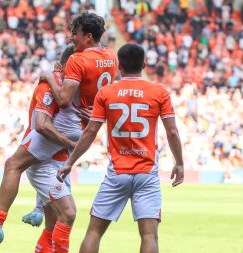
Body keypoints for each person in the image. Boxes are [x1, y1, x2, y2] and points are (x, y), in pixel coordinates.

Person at [57, 43, 185, 253]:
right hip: (146, 172)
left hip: (117, 171)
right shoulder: (159, 92)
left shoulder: (106, 92)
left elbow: (90, 132)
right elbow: (172, 132)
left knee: (94, 232)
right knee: (149, 235)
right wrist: (179, 163)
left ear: (119, 67)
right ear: (144, 64)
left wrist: (70, 163)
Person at [0, 47, 77, 252]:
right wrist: (72, 144)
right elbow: (41, 127)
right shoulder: (50, 84)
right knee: (66, 214)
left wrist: (39, 206)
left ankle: (1, 224)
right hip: (46, 160)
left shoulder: (74, 90)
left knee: (54, 225)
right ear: (64, 66)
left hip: (56, 160)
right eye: (77, 67)